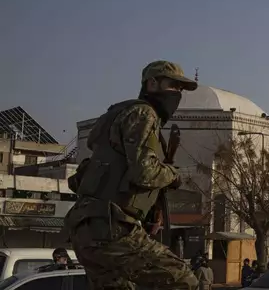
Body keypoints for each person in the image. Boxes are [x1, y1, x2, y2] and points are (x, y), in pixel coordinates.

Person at [63, 60, 200, 290]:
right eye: (173, 86)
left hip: (84, 229)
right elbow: (144, 172)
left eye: (181, 90)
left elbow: (86, 176)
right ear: (152, 83)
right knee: (185, 281)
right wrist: (173, 176)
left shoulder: (115, 117)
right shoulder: (144, 113)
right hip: (111, 229)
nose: (177, 93)